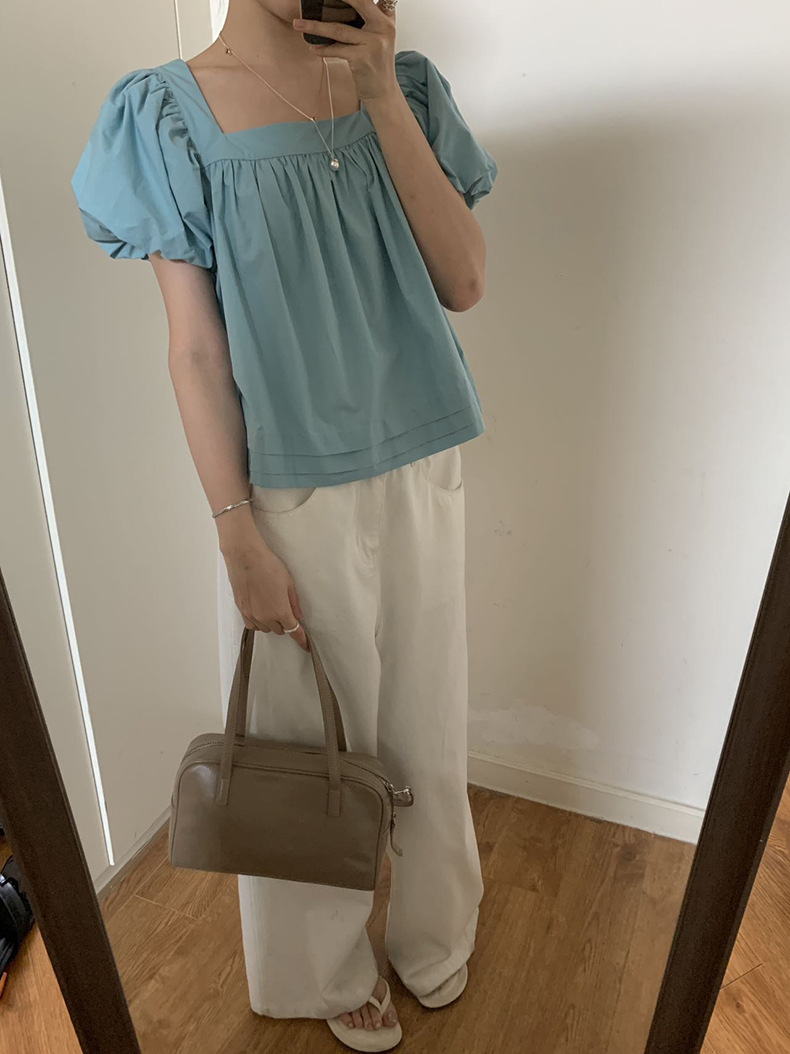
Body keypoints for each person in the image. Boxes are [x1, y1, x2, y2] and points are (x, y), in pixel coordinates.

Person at [70, 0, 497, 1049]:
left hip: (423, 457)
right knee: (305, 753)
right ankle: (318, 970)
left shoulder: (409, 86)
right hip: (289, 488)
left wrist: (381, 89)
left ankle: (436, 929)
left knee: (428, 726)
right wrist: (235, 533)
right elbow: (195, 350)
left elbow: (464, 280)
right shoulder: (167, 116)